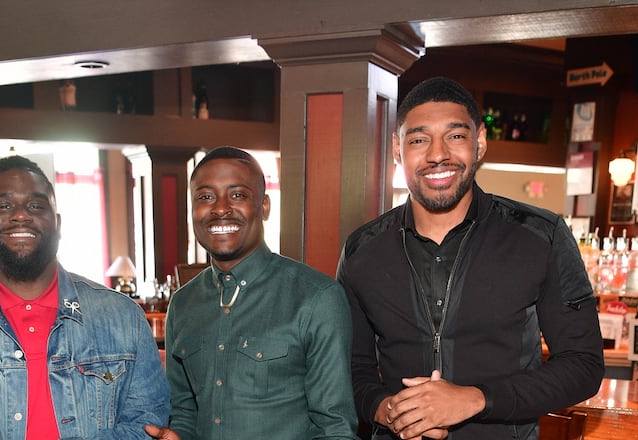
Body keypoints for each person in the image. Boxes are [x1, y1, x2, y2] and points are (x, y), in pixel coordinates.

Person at [337, 76, 604, 440]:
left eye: (455, 136)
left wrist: (477, 400)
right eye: (418, 140)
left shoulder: (541, 236)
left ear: (479, 142)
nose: (437, 154)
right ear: (398, 151)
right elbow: (352, 367)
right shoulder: (362, 250)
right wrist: (390, 411)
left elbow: (583, 365)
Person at [0, 155, 170, 439]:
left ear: (58, 223)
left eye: (35, 205)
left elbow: (145, 425)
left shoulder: (123, 317)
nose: (20, 215)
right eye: (3, 205)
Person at [147, 146, 358, 439]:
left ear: (265, 206)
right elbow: (185, 412)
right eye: (206, 197)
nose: (220, 208)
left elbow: (336, 430)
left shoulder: (317, 298)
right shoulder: (182, 304)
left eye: (237, 195)